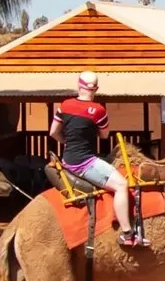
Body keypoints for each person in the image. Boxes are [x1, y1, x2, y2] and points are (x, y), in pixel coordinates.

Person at [50, 72, 144, 249]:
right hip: (85, 162)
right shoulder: (99, 111)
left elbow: (53, 132)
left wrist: (67, 142)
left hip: (68, 159)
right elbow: (104, 135)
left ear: (79, 85)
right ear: (96, 89)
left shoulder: (65, 105)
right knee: (122, 185)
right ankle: (127, 233)